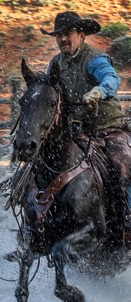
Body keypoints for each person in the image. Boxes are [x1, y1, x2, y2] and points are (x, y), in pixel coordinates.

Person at [42, 12, 131, 213]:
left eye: (68, 33)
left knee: (123, 163)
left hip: (108, 130)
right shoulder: (55, 64)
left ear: (81, 35)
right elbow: (48, 90)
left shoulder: (95, 59)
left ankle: (128, 216)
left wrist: (99, 90)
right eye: (58, 35)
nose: (62, 39)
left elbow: (111, 79)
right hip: (74, 133)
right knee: (37, 163)